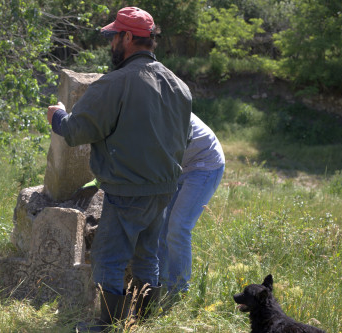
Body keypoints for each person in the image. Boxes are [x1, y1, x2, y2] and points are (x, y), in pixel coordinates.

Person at [47, 7, 192, 331]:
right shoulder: (179, 86)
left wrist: (56, 116)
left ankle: (106, 326)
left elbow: (76, 131)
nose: (111, 43)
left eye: (114, 37)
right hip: (164, 189)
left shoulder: (114, 83)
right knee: (147, 257)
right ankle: (145, 320)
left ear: (127, 38)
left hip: (127, 190)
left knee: (109, 258)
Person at [158, 112, 225, 295]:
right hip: (178, 165)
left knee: (178, 227)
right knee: (161, 227)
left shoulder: (159, 104)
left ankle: (178, 290)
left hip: (204, 163)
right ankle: (158, 285)